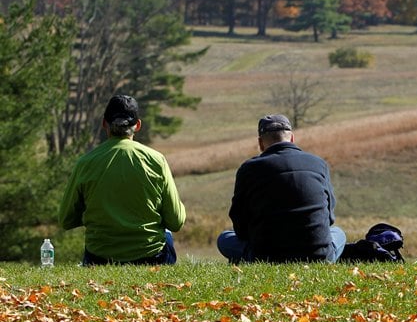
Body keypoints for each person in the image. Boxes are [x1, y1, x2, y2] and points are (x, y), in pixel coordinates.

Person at [59, 95, 186, 265]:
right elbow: (176, 221)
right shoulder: (156, 160)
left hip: (99, 257)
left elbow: (66, 219)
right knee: (167, 234)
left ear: (105, 124)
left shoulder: (85, 163)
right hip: (150, 257)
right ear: (138, 125)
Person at [217, 114, 346, 263]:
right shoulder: (319, 164)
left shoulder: (249, 169)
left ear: (260, 143)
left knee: (224, 239)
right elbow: (329, 218)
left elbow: (240, 227)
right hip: (318, 256)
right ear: (292, 138)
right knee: (339, 232)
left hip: (266, 256)